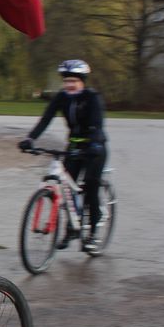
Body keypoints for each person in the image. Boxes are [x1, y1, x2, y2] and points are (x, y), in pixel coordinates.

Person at [18, 60, 108, 251]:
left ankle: (93, 232)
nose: (69, 85)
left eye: (73, 81)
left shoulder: (92, 98)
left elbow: (97, 125)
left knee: (91, 185)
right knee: (67, 188)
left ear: (82, 81)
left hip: (94, 148)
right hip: (73, 147)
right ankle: (71, 228)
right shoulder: (62, 97)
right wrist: (30, 139)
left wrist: (93, 143)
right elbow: (45, 119)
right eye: (66, 81)